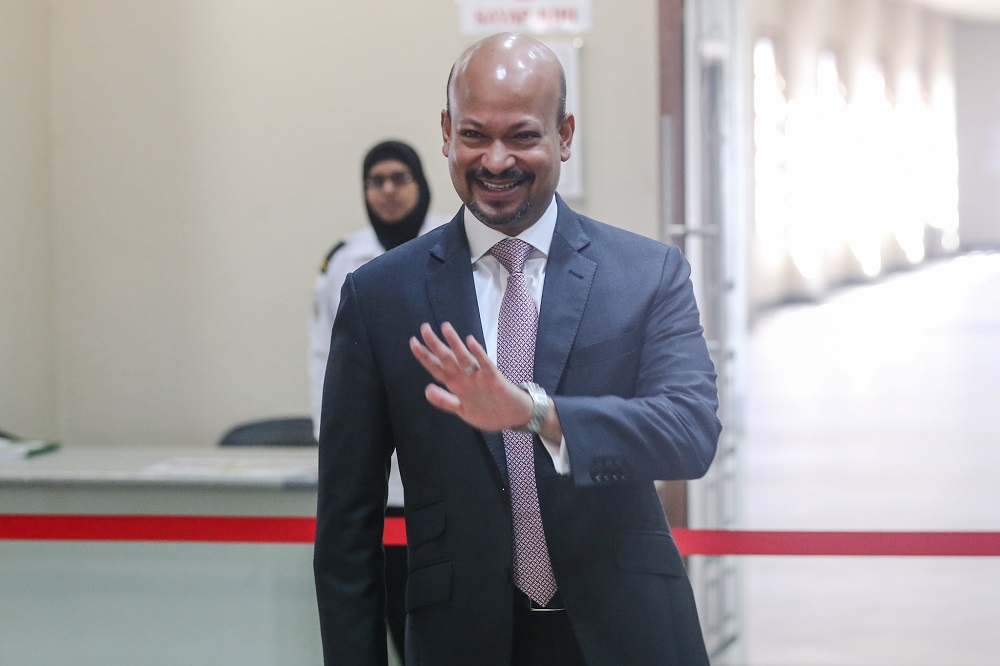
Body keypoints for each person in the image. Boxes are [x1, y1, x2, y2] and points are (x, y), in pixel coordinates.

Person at [314, 32, 721, 665]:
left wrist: (536, 413)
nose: (495, 160)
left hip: (629, 633)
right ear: (446, 132)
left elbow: (690, 434)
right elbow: (346, 527)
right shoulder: (379, 296)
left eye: (523, 136)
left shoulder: (646, 273)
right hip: (463, 639)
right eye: (474, 134)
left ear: (564, 135)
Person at [309, 139, 447, 662]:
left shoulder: (455, 245)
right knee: (377, 610)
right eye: (376, 181)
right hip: (375, 485)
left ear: (420, 181)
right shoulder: (344, 260)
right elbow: (322, 358)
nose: (388, 191)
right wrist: (337, 445)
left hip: (441, 471)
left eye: (399, 178)